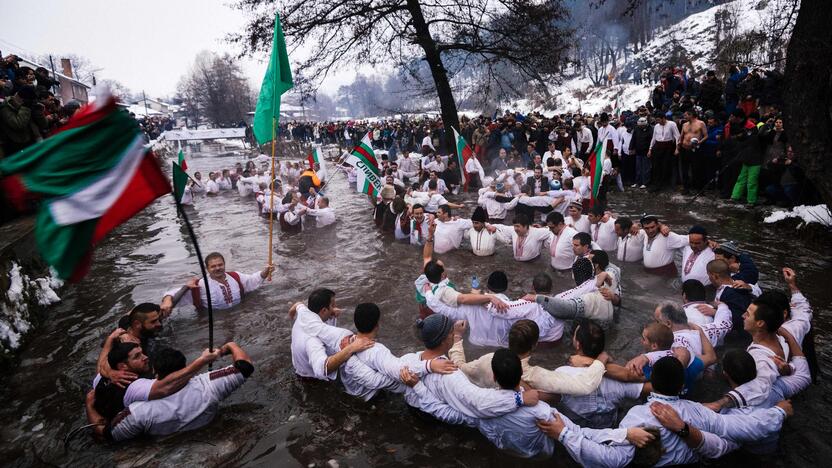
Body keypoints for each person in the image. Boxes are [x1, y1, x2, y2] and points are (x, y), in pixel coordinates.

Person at [543, 356, 791, 467]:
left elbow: (613, 460)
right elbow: (743, 429)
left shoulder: (639, 417)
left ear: (653, 383)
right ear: (683, 387)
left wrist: (566, 434)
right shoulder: (696, 411)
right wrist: (779, 412)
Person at [397, 314, 541, 427]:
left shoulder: (409, 359)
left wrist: (457, 336)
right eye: (452, 332)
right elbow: (479, 402)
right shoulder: (451, 375)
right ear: (445, 339)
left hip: (415, 409)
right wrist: (520, 398)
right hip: (435, 419)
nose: (454, 334)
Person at [97, 342, 255, 441]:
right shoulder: (209, 385)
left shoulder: (137, 412)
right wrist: (231, 345)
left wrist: (90, 407)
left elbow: (107, 434)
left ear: (156, 373)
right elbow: (245, 366)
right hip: (212, 435)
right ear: (184, 365)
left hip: (166, 448)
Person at [449, 319, 604, 394]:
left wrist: (457, 337)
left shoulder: (488, 359)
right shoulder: (534, 375)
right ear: (534, 345)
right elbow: (585, 386)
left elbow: (460, 367)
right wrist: (600, 361)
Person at [557, 320, 651, 429]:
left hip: (572, 432)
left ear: (577, 344)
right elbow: (655, 388)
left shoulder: (562, 373)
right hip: (608, 429)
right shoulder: (619, 379)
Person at [160, 252, 274, 314]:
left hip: (238, 314)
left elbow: (252, 280)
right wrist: (167, 301)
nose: (218, 268)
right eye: (213, 266)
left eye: (220, 265)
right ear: (207, 269)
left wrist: (265, 272)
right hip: (214, 320)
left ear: (224, 264)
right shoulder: (200, 285)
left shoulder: (236, 276)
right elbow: (173, 293)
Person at [648, 112, 680, 193]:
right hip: (658, 147)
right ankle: (656, 185)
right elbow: (654, 138)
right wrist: (650, 149)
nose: (658, 122)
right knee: (656, 166)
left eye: (659, 120)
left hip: (668, 147)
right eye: (656, 120)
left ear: (663, 118)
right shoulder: (656, 126)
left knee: (666, 166)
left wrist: (677, 148)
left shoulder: (672, 124)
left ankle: (666, 185)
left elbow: (677, 136)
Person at [677, 110, 708, 194]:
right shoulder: (684, 124)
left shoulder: (701, 123)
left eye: (686, 115)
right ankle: (686, 188)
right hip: (684, 148)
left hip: (695, 149)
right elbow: (681, 136)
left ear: (691, 115)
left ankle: (698, 188)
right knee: (684, 170)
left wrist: (699, 142)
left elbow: (706, 136)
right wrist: (679, 143)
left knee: (697, 169)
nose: (684, 117)